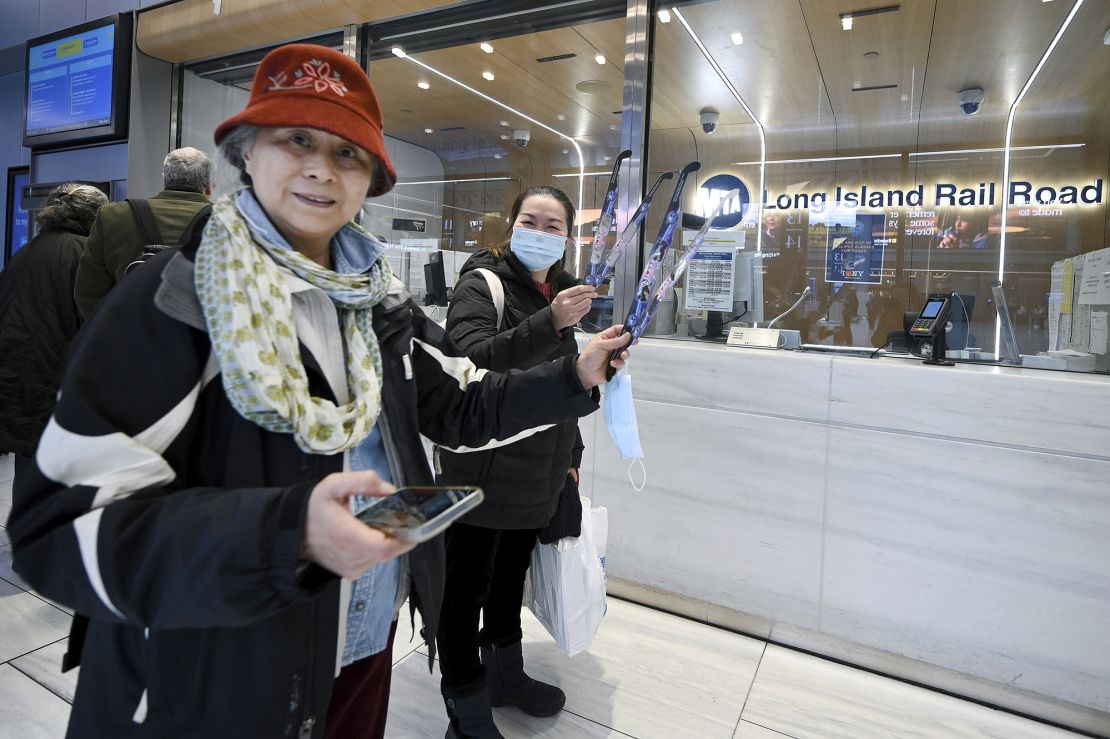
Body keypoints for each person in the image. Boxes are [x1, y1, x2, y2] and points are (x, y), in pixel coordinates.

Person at [7, 44, 629, 739]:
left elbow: (459, 403)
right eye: (295, 140)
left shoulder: (377, 306)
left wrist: (574, 376)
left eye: (347, 154)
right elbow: (54, 527)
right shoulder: (173, 303)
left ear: (368, 180)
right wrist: (287, 533)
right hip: (212, 675)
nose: (319, 168)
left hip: (360, 646)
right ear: (246, 153)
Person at [435, 186, 596, 738]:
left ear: (568, 236)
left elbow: (563, 381)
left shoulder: (563, 290)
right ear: (511, 225)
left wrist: (571, 457)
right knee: (463, 591)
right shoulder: (482, 284)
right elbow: (471, 360)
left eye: (555, 226)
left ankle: (504, 674)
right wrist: (548, 321)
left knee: (508, 583)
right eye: (532, 220)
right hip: (479, 473)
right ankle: (465, 705)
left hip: (538, 473)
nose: (542, 232)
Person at [0, 183, 108, 488]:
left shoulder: (27, 251)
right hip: (55, 370)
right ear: (93, 216)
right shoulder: (83, 253)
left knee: (28, 453)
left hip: (19, 366)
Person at [74, 146, 214, 317]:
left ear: (165, 179)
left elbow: (88, 291)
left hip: (131, 333)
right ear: (208, 187)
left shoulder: (112, 216)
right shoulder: (231, 222)